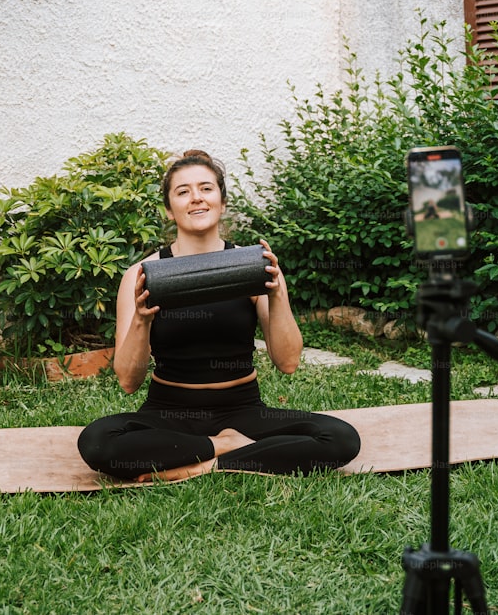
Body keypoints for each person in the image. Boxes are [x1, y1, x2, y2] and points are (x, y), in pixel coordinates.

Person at [77, 150, 361, 482]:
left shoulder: (254, 266)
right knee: (97, 442)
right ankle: (225, 447)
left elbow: (288, 362)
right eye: (183, 191)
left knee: (340, 438)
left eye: (206, 188)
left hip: (243, 410)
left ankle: (202, 463)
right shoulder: (141, 275)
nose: (196, 198)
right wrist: (142, 320)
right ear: (170, 209)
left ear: (222, 202)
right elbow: (128, 381)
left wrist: (277, 293)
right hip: (168, 411)